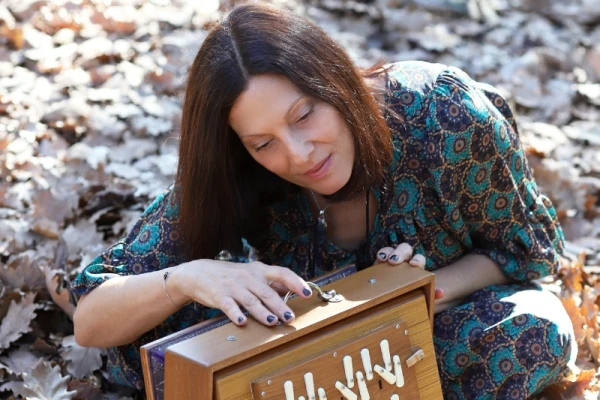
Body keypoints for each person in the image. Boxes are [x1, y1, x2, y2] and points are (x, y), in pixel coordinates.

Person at [70, 2, 576, 398]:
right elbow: (91, 320)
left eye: (305, 114)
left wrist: (417, 289)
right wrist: (186, 276)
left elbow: (524, 255)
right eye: (263, 143)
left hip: (419, 336)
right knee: (157, 343)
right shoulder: (235, 171)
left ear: (333, 82)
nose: (298, 154)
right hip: (291, 360)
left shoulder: (444, 115)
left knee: (539, 328)